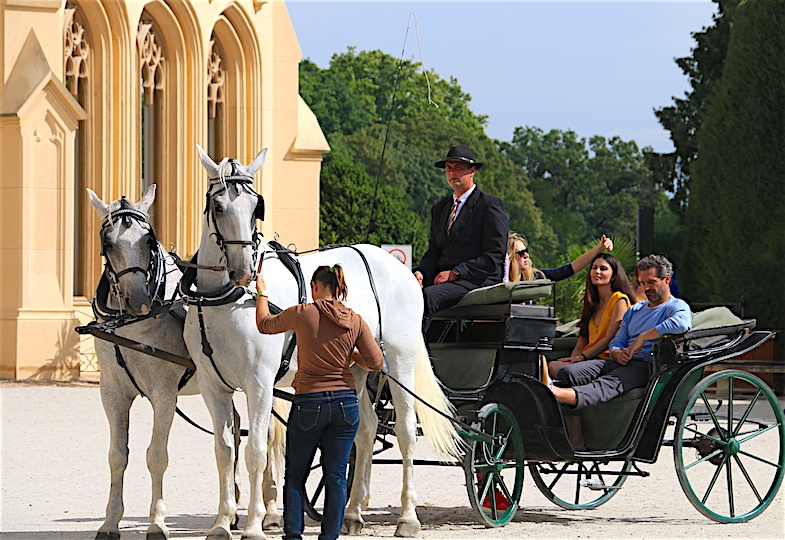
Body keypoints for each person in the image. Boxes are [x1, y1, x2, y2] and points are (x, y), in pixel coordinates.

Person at [255, 264, 384, 540]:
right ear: (337, 289)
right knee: (336, 478)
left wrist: (262, 291)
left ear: (314, 287)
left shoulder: (303, 313)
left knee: (295, 476)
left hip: (309, 403)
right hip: (346, 406)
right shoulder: (355, 320)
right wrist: (351, 358)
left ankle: (293, 535)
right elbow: (376, 362)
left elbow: (264, 324)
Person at [549, 254, 691, 410]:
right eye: (643, 283)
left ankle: (556, 393)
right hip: (619, 361)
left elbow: (682, 323)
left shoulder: (675, 306)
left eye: (652, 282)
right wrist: (616, 352)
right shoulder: (635, 310)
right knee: (567, 372)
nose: (647, 288)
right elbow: (617, 341)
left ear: (667, 280)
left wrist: (643, 337)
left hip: (646, 365)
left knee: (609, 383)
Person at [413, 145, 509, 333]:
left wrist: (456, 272)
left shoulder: (489, 205)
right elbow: (434, 251)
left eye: (458, 167)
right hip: (444, 279)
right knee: (403, 290)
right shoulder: (440, 208)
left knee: (427, 297)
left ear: (472, 171)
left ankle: (414, 356)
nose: (452, 173)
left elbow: (495, 255)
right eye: (449, 168)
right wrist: (421, 273)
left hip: (477, 278)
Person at [548, 253, 637, 378]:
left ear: (613, 276)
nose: (597, 272)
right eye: (594, 268)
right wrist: (571, 360)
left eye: (603, 268)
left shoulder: (619, 300)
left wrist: (582, 357)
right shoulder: (592, 303)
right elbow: (581, 341)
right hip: (587, 358)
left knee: (561, 370)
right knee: (550, 365)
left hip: (606, 359)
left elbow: (609, 338)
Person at [504, 232, 615, 283]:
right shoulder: (500, 282)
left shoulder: (535, 277)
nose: (526, 255)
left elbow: (570, 268)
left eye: (526, 251)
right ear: (509, 257)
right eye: (521, 252)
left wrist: (600, 248)